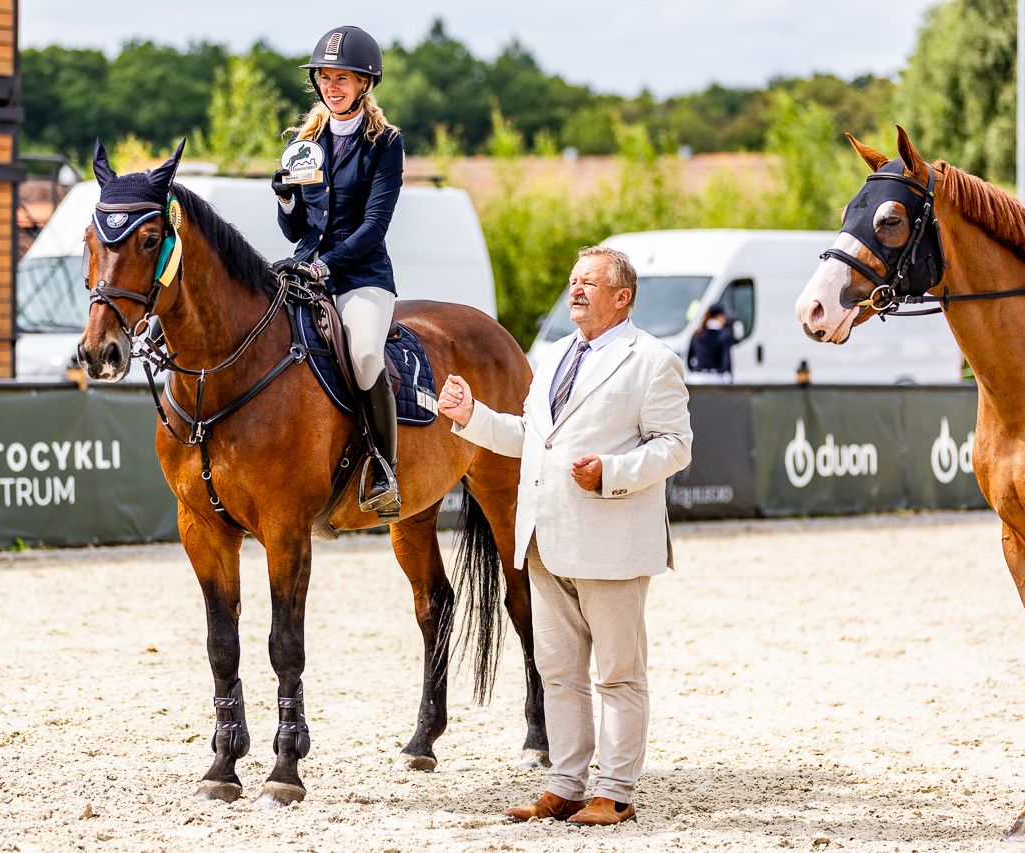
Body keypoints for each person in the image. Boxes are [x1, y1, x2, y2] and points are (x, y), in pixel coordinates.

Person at [438, 246, 692, 826]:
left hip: (612, 541)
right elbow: (530, 437)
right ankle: (564, 786)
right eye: (574, 280)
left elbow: (676, 446)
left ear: (622, 297)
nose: (575, 290)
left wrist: (612, 472)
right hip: (544, 539)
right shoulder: (551, 356)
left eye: (589, 283)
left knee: (619, 675)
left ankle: (617, 793)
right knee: (558, 674)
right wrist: (472, 415)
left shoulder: (653, 360)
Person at [270, 25, 405, 515]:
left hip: (361, 277)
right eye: (325, 78)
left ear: (364, 83)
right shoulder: (304, 144)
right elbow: (295, 230)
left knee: (365, 355)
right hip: (305, 269)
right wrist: (286, 200)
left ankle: (385, 470)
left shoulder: (385, 143)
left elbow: (374, 226)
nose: (332, 87)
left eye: (342, 78)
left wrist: (327, 265)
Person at [686, 302, 736, 382]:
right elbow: (725, 360)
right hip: (715, 379)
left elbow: (689, 359)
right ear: (720, 317)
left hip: (696, 378)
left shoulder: (698, 333)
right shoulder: (724, 334)